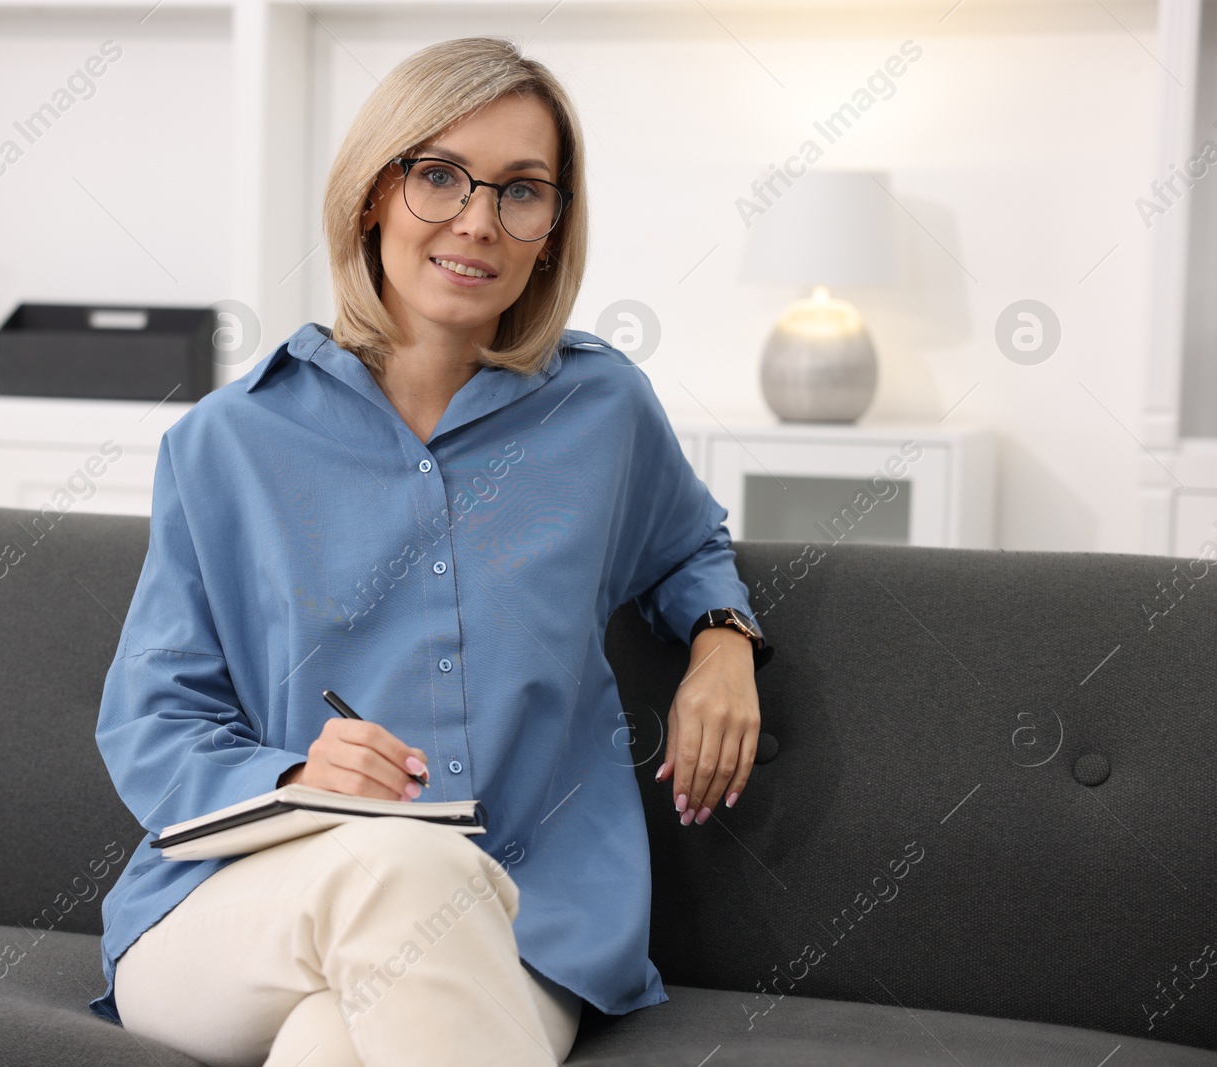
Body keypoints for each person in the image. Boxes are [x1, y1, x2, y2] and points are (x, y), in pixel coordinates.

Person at [88, 35, 774, 1067]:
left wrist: (723, 643)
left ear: (552, 228)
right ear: (373, 194)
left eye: (522, 192)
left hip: (525, 921)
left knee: (331, 1044)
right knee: (403, 866)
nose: (477, 221)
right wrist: (295, 774)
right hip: (236, 912)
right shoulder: (225, 442)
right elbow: (153, 719)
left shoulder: (603, 412)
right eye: (440, 177)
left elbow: (687, 548)